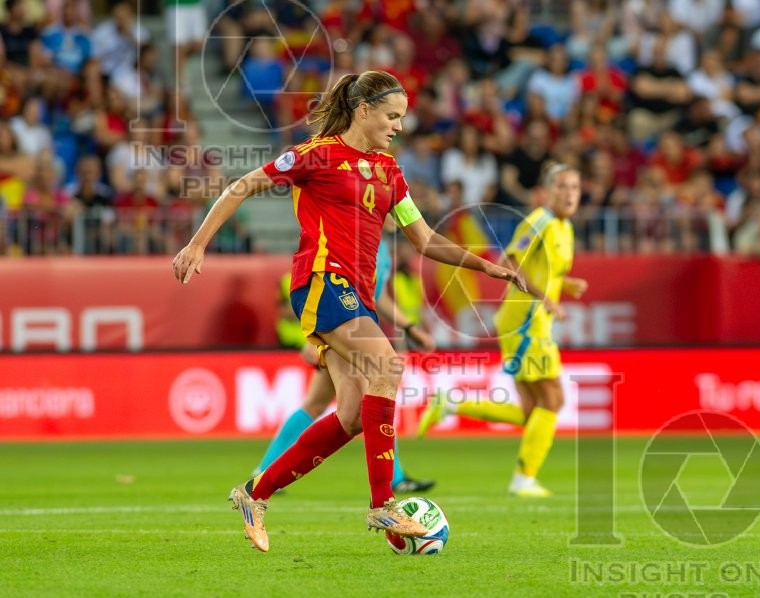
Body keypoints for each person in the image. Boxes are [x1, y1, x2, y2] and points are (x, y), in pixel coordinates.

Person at [172, 70, 525, 552]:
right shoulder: (315, 154)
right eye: (392, 116)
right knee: (388, 366)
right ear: (364, 110)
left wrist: (490, 267)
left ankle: (255, 492)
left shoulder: (390, 172)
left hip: (357, 294)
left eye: (402, 118)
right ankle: (383, 503)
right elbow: (242, 185)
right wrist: (197, 244)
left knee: (355, 414)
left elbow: (425, 240)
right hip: (321, 281)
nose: (399, 126)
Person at [418, 163, 588, 498]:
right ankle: (523, 480)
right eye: (563, 187)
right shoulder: (540, 220)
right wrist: (546, 299)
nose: (570, 194)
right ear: (547, 191)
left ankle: (451, 405)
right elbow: (511, 263)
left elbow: (541, 272)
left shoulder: (564, 228)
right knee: (553, 399)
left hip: (533, 320)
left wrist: (563, 284)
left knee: (531, 409)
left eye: (575, 188)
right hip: (525, 322)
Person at [257, 238, 438, 495]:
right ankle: (391, 482)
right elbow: (325, 285)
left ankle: (264, 472)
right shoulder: (355, 234)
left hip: (357, 327)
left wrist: (410, 327)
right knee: (376, 395)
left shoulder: (381, 245)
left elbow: (379, 296)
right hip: (344, 327)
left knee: (319, 404)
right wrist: (317, 336)